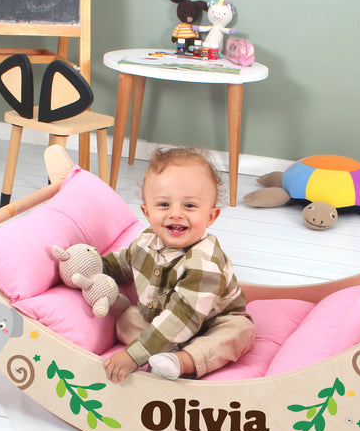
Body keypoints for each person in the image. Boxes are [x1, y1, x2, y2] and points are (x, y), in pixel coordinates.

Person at [100, 147, 255, 383]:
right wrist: (92, 267)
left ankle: (181, 362)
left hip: (210, 323)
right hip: (162, 318)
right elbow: (122, 264)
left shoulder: (205, 263)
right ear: (147, 212)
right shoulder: (145, 241)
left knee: (239, 333)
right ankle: (163, 351)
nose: (176, 214)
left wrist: (134, 356)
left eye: (189, 206)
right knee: (127, 318)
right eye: (163, 205)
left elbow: (185, 315)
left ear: (211, 216)